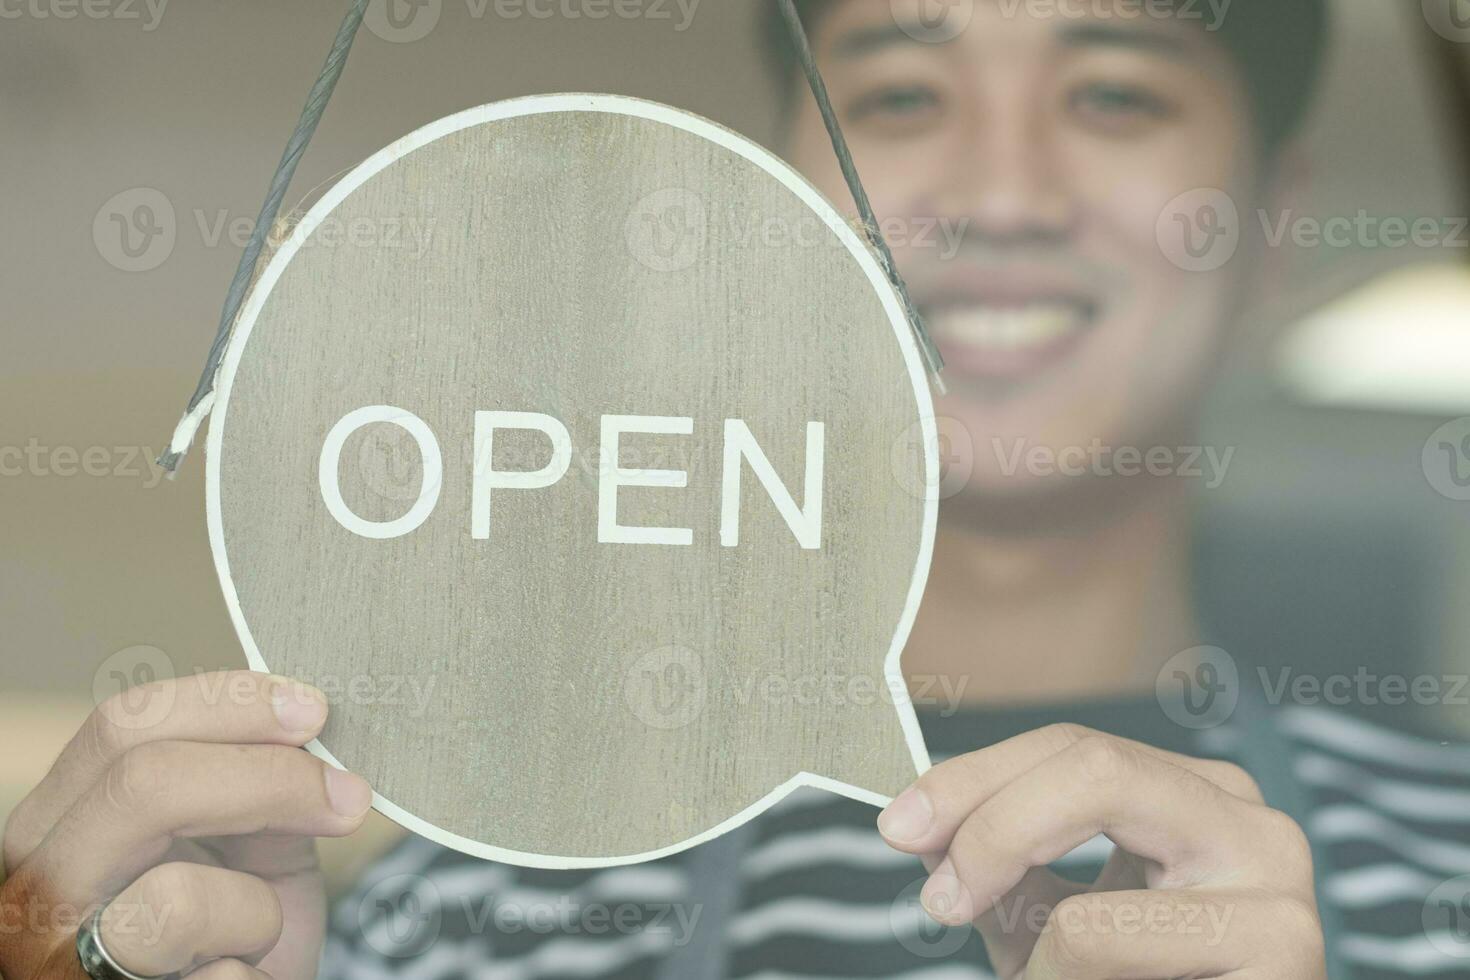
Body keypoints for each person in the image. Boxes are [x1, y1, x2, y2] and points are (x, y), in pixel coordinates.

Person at [3, 1, 1467, 978]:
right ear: (773, 221)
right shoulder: (438, 918)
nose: (1003, 191)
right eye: (896, 94)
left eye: (1112, 92)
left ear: (1268, 225)